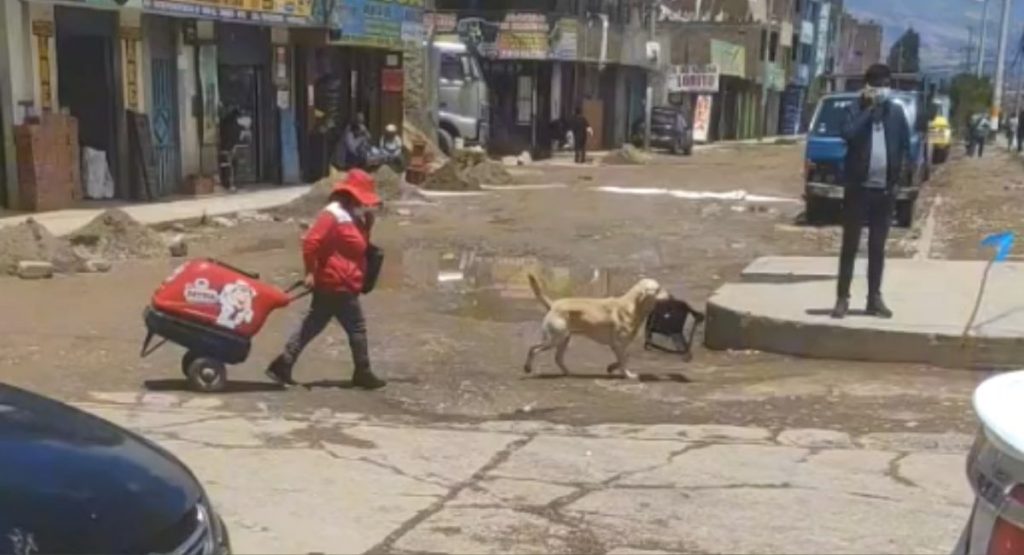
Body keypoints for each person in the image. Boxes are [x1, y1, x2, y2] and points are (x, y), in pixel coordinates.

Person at [266, 169, 386, 390]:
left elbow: (359, 247)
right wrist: (310, 272)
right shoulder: (332, 215)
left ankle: (282, 364)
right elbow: (311, 242)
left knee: (312, 325)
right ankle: (363, 372)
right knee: (356, 327)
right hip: (336, 282)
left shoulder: (353, 215)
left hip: (341, 283)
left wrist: (367, 225)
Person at [831, 63, 910, 320]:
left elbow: (905, 147)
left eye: (885, 85)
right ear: (867, 87)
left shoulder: (896, 114)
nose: (882, 90)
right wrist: (869, 111)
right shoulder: (854, 109)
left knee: (878, 247)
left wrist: (898, 181)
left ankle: (874, 298)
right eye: (877, 85)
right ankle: (842, 298)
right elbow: (847, 134)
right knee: (850, 245)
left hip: (884, 192)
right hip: (858, 189)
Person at [218, 108, 242, 191]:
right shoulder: (235, 125)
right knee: (232, 167)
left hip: (224, 147)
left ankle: (226, 183)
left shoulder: (224, 122)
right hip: (231, 148)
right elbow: (236, 137)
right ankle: (231, 184)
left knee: (226, 166)